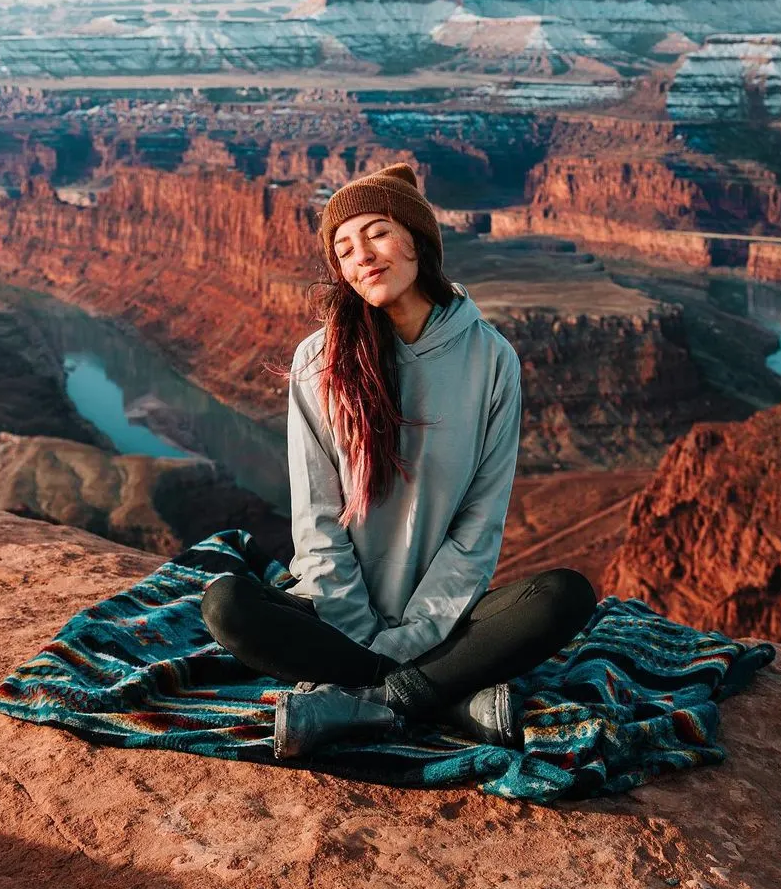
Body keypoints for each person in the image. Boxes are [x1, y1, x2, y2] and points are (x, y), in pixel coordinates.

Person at [201, 163, 598, 761]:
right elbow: (317, 519)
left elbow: (479, 524)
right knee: (227, 604)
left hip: (443, 616)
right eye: (343, 247)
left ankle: (365, 704)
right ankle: (446, 698)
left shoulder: (492, 360)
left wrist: (413, 634)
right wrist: (364, 632)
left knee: (565, 596)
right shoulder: (319, 360)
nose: (361, 255)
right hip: (337, 612)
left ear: (418, 240)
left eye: (377, 232)